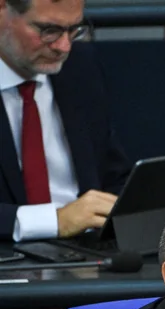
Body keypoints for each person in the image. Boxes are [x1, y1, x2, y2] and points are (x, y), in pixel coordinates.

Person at [0, 0, 132, 243]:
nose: (64, 47)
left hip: (88, 248)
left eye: (74, 30)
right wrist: (55, 221)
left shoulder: (80, 66)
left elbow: (113, 175)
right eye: (49, 30)